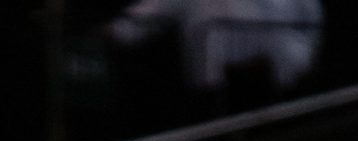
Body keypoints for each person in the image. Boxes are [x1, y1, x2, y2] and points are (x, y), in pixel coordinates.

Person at [107, 0, 324, 107]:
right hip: (215, 97)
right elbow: (143, 19)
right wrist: (111, 34)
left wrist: (296, 66)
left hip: (283, 93)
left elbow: (310, 23)